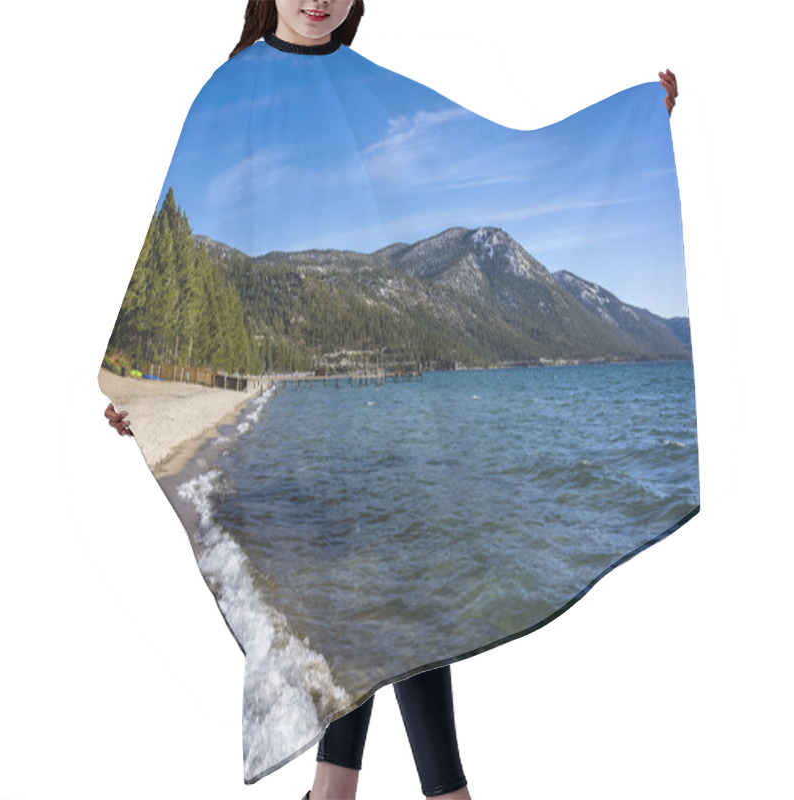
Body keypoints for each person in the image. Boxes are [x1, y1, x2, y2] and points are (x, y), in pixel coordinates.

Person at [104, 2, 680, 798]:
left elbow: (503, 148)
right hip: (302, 472)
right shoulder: (226, 90)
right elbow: (173, 255)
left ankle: (343, 791)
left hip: (371, 454)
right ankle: (429, 793)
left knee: (385, 599)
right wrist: (138, 387)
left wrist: (635, 120)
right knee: (387, 601)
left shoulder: (373, 87)